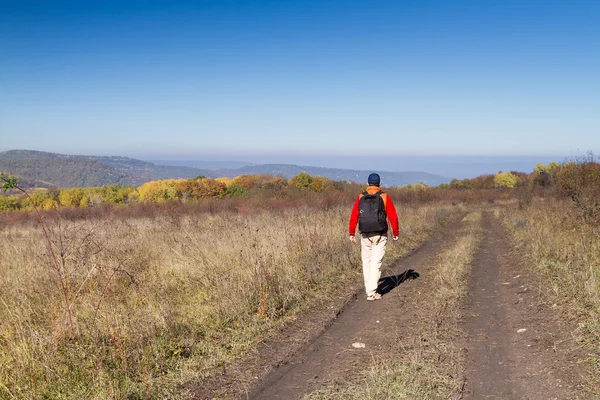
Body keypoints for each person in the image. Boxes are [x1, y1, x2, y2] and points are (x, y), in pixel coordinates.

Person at [348, 173, 399, 301]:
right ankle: (371, 292)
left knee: (367, 262)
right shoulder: (385, 197)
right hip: (380, 234)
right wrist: (395, 233)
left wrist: (351, 233)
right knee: (376, 263)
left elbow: (354, 216)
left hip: (365, 234)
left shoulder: (361, 197)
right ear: (379, 184)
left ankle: (369, 289)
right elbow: (393, 216)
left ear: (368, 183)